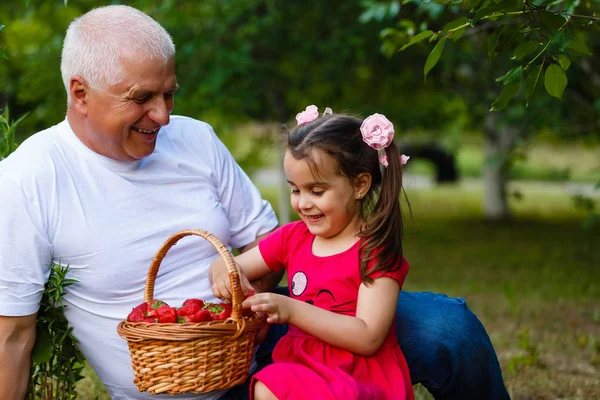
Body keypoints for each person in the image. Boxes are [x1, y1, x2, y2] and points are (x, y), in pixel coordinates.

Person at [0, 5, 510, 400]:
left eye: (170, 94)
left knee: (449, 328)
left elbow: (268, 246)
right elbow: (13, 336)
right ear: (80, 93)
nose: (162, 115)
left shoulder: (195, 139)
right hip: (175, 383)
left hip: (269, 337)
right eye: (141, 98)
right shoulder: (29, 179)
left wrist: (247, 293)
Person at [210, 106, 414, 399]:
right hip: (304, 368)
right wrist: (224, 274)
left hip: (358, 375)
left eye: (317, 191)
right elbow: (231, 265)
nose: (303, 203)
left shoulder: (374, 250)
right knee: (269, 385)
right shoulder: (293, 238)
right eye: (295, 190)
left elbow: (368, 336)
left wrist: (291, 309)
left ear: (359, 185)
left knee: (272, 386)